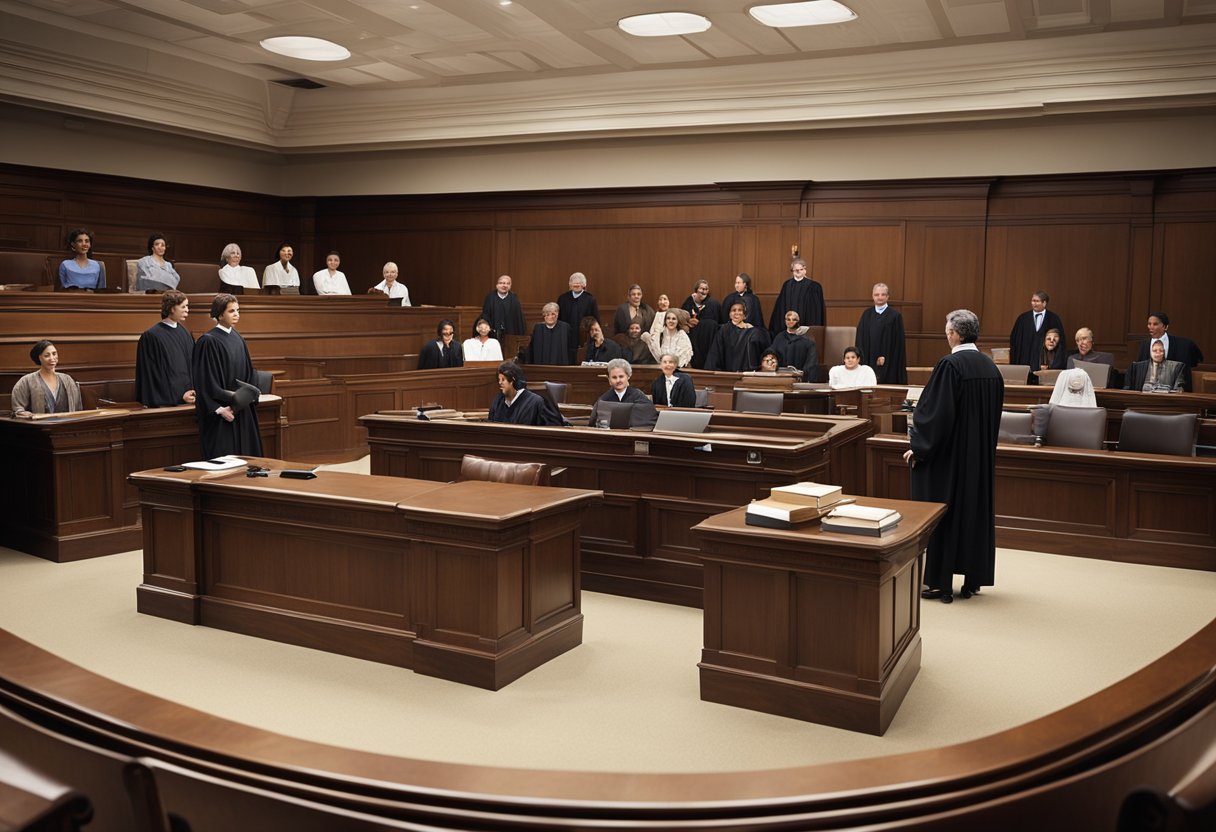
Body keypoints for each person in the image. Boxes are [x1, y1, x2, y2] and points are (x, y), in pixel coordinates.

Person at [903, 309, 1003, 604]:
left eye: (947, 330)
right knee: (972, 512)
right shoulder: (990, 368)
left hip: (949, 461)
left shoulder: (950, 366)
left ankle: (939, 582)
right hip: (979, 460)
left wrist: (919, 449)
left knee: (941, 514)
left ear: (954, 334)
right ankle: (972, 579)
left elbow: (936, 416)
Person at [191, 293, 262, 458]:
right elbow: (205, 381)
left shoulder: (238, 338)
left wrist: (242, 402)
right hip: (223, 413)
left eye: (238, 310)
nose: (237, 314)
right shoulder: (208, 341)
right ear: (220, 314)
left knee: (248, 462)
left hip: (241, 409)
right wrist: (219, 409)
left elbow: (249, 373)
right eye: (231, 311)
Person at [135, 290, 196, 408]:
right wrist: (178, 396)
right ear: (172, 308)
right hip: (166, 403)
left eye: (187, 306)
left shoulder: (185, 333)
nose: (187, 310)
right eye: (183, 306)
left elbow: (192, 367)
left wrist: (193, 391)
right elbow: (153, 375)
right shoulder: (152, 336)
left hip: (188, 400)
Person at [10, 340, 83, 417]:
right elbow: (18, 410)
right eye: (47, 355)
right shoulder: (26, 381)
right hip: (39, 427)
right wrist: (26, 415)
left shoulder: (67, 380)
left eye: (54, 354)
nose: (52, 358)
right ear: (39, 358)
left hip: (66, 427)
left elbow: (78, 408)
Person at [1134, 312, 1203, 392]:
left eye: (1155, 324)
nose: (1151, 327)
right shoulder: (1144, 345)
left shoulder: (1184, 345)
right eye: (1149, 324)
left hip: (1172, 391)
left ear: (1165, 326)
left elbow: (1197, 360)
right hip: (1149, 391)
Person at [854, 283, 907, 384]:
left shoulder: (895, 316)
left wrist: (886, 357)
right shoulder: (867, 314)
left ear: (887, 296)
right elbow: (860, 338)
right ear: (872, 296)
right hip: (869, 358)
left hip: (889, 361)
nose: (880, 297)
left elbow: (898, 343)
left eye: (883, 294)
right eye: (877, 294)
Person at [1008, 291, 1063, 384]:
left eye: (1037, 301)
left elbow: (1060, 343)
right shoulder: (1022, 319)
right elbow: (1014, 341)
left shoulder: (1054, 319)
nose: (1034, 303)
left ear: (1044, 303)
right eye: (1033, 301)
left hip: (1045, 365)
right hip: (1025, 362)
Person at [588, 358, 658, 428]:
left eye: (621, 376)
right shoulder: (603, 399)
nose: (618, 380)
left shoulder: (638, 396)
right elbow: (593, 423)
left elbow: (650, 419)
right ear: (609, 380)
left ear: (628, 376)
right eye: (614, 377)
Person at [488, 361, 562, 426]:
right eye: (499, 379)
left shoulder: (535, 402)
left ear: (513, 380)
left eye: (503, 379)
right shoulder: (498, 401)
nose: (499, 382)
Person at [705, 300, 771, 372]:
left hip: (749, 372)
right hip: (730, 371)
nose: (737, 313)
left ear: (744, 315)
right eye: (733, 310)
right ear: (730, 315)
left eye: (740, 310)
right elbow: (716, 352)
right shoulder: (724, 330)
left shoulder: (753, 330)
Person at [768, 258, 825, 335]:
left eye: (801, 269)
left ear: (805, 270)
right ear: (792, 271)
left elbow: (816, 311)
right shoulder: (787, 285)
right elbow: (780, 307)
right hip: (788, 328)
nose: (798, 271)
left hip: (806, 327)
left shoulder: (814, 287)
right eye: (795, 270)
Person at [556, 272, 598, 362]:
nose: (576, 286)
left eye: (579, 284)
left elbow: (595, 319)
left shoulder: (590, 299)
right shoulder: (562, 298)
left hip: (584, 337)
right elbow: (558, 319)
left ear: (584, 285)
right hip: (565, 336)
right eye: (574, 284)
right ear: (570, 285)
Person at [681, 279, 721, 369]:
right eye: (701, 288)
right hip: (693, 338)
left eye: (706, 289)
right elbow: (681, 320)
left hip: (708, 338)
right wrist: (688, 321)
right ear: (696, 289)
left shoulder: (713, 304)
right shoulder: (688, 302)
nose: (704, 291)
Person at [771, 310, 820, 381]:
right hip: (781, 378)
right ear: (785, 321)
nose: (790, 321)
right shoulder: (779, 337)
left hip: (800, 379)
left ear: (798, 321)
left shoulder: (808, 340)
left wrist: (804, 377)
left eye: (794, 319)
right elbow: (773, 352)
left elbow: (811, 363)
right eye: (788, 319)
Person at [480, 274, 526, 340]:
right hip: (493, 333)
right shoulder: (490, 298)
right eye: (502, 283)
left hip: (510, 333)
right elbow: (485, 315)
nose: (504, 285)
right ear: (497, 285)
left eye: (508, 283)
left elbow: (518, 318)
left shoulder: (514, 299)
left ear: (510, 286)